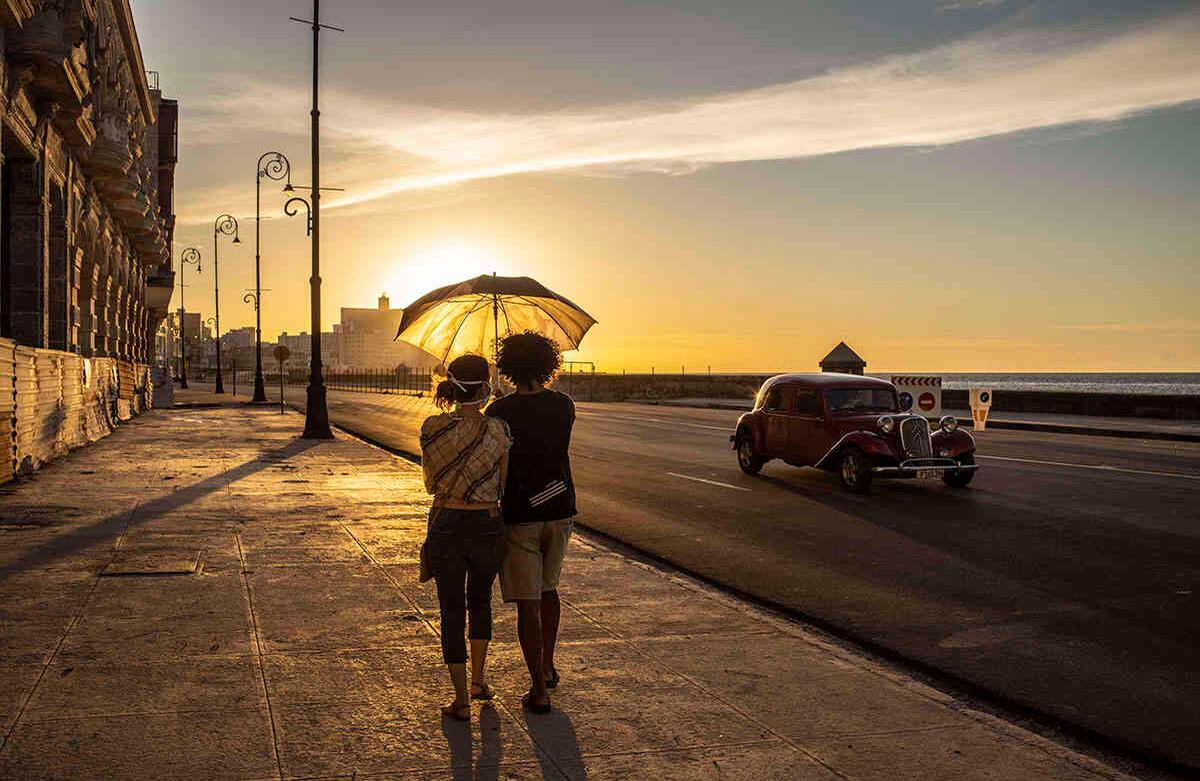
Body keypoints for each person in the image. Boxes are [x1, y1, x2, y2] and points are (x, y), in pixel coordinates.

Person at [486, 332, 576, 714]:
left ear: (508, 367)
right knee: (549, 588)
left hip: (520, 512)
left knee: (527, 601)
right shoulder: (564, 405)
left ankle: (538, 688)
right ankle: (549, 665)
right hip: (559, 506)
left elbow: (497, 460)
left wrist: (497, 405)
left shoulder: (499, 411)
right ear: (548, 364)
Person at [419, 354, 511, 721]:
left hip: (446, 522)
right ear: (486, 387)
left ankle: (460, 699)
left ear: (452, 387)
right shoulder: (499, 430)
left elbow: (429, 482)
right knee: (481, 601)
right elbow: (502, 486)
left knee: (452, 609)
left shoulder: (432, 427)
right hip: (487, 522)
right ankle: (478, 681)